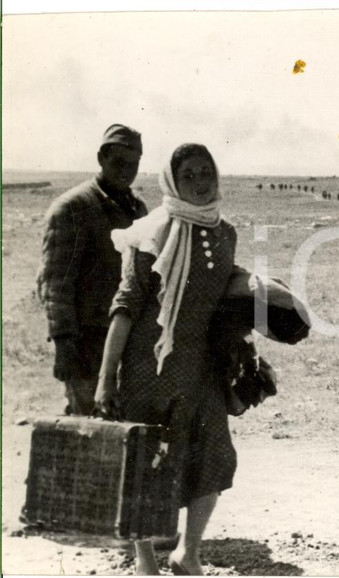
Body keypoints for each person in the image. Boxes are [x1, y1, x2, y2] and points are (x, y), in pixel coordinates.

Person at [95, 144, 237, 575]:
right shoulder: (154, 233)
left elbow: (223, 294)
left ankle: (188, 552)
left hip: (200, 368)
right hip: (147, 368)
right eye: (188, 175)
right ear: (173, 182)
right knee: (147, 465)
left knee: (212, 455)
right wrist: (106, 380)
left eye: (205, 172)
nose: (199, 182)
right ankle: (144, 562)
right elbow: (125, 308)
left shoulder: (225, 232)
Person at [36, 124, 147, 416]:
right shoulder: (72, 208)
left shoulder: (137, 211)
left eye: (133, 164)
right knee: (88, 433)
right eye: (118, 163)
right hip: (84, 344)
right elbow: (55, 284)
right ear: (101, 157)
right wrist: (63, 343)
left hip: (127, 344)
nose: (126, 171)